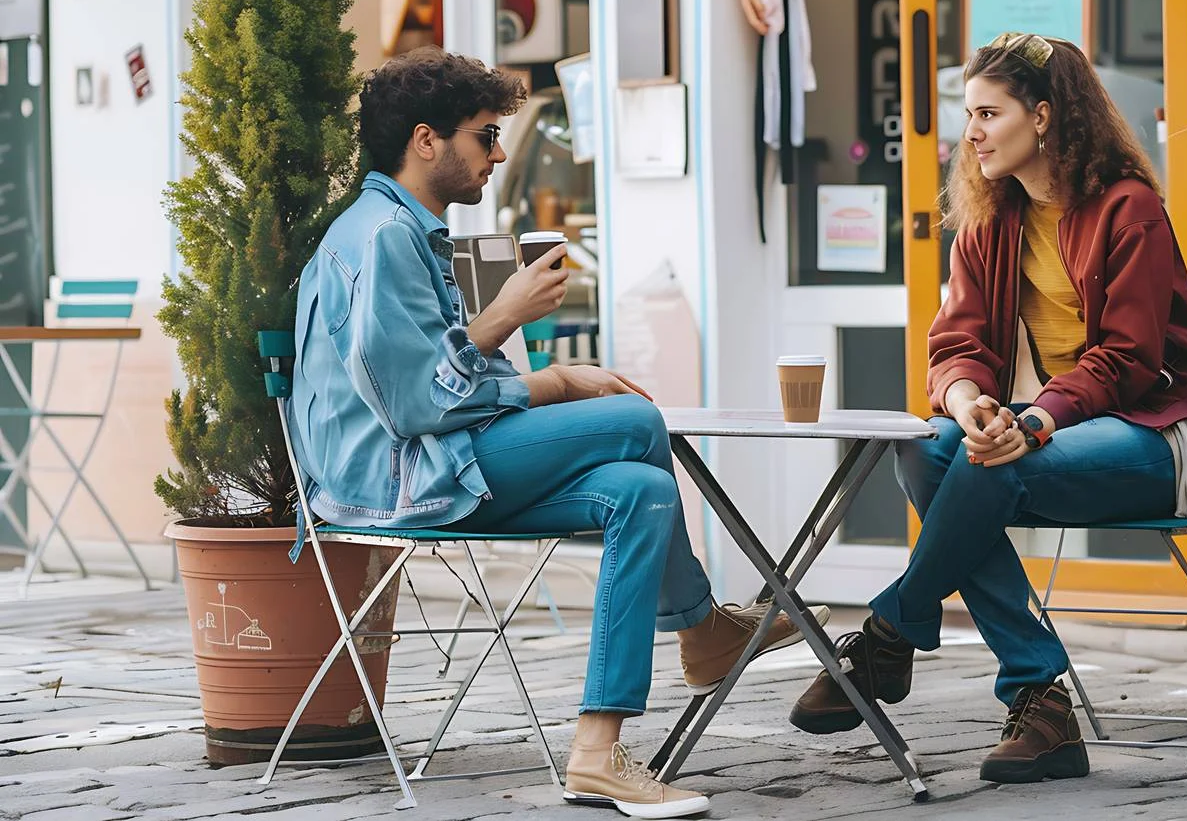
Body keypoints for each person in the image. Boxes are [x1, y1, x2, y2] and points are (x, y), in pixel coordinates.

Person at [291, 48, 818, 819]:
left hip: (435, 461)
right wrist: (535, 355)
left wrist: (537, 372)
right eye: (485, 135)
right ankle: (701, 628)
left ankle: (597, 752)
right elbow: (415, 407)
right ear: (426, 140)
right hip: (398, 476)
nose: (499, 153)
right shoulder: (381, 239)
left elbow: (441, 384)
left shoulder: (402, 229)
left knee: (639, 490)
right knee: (637, 419)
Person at [788, 33, 1187, 784]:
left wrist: (1031, 421)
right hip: (1063, 422)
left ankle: (892, 631)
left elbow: (1128, 359)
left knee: (992, 467)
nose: (974, 133)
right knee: (929, 443)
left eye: (990, 113)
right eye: (970, 115)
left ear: (1047, 115)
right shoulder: (994, 217)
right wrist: (967, 406)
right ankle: (1036, 694)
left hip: (1155, 435)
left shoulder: (1131, 209)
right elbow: (955, 344)